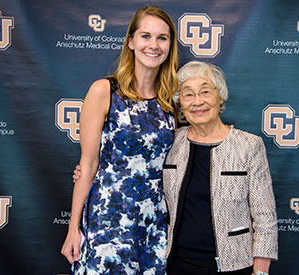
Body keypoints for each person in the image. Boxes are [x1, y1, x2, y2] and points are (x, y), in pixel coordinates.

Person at [61, 6, 178, 274]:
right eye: (145, 36)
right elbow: (88, 165)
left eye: (162, 38)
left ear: (170, 46)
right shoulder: (105, 91)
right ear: (131, 42)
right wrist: (73, 227)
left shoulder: (171, 102)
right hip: (109, 217)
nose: (154, 45)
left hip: (155, 221)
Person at [162, 61, 278, 275]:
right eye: (188, 94)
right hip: (176, 263)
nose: (198, 101)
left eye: (205, 91)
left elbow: (264, 215)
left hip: (233, 265)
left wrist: (261, 271)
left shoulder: (248, 145)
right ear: (180, 103)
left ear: (219, 96)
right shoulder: (170, 142)